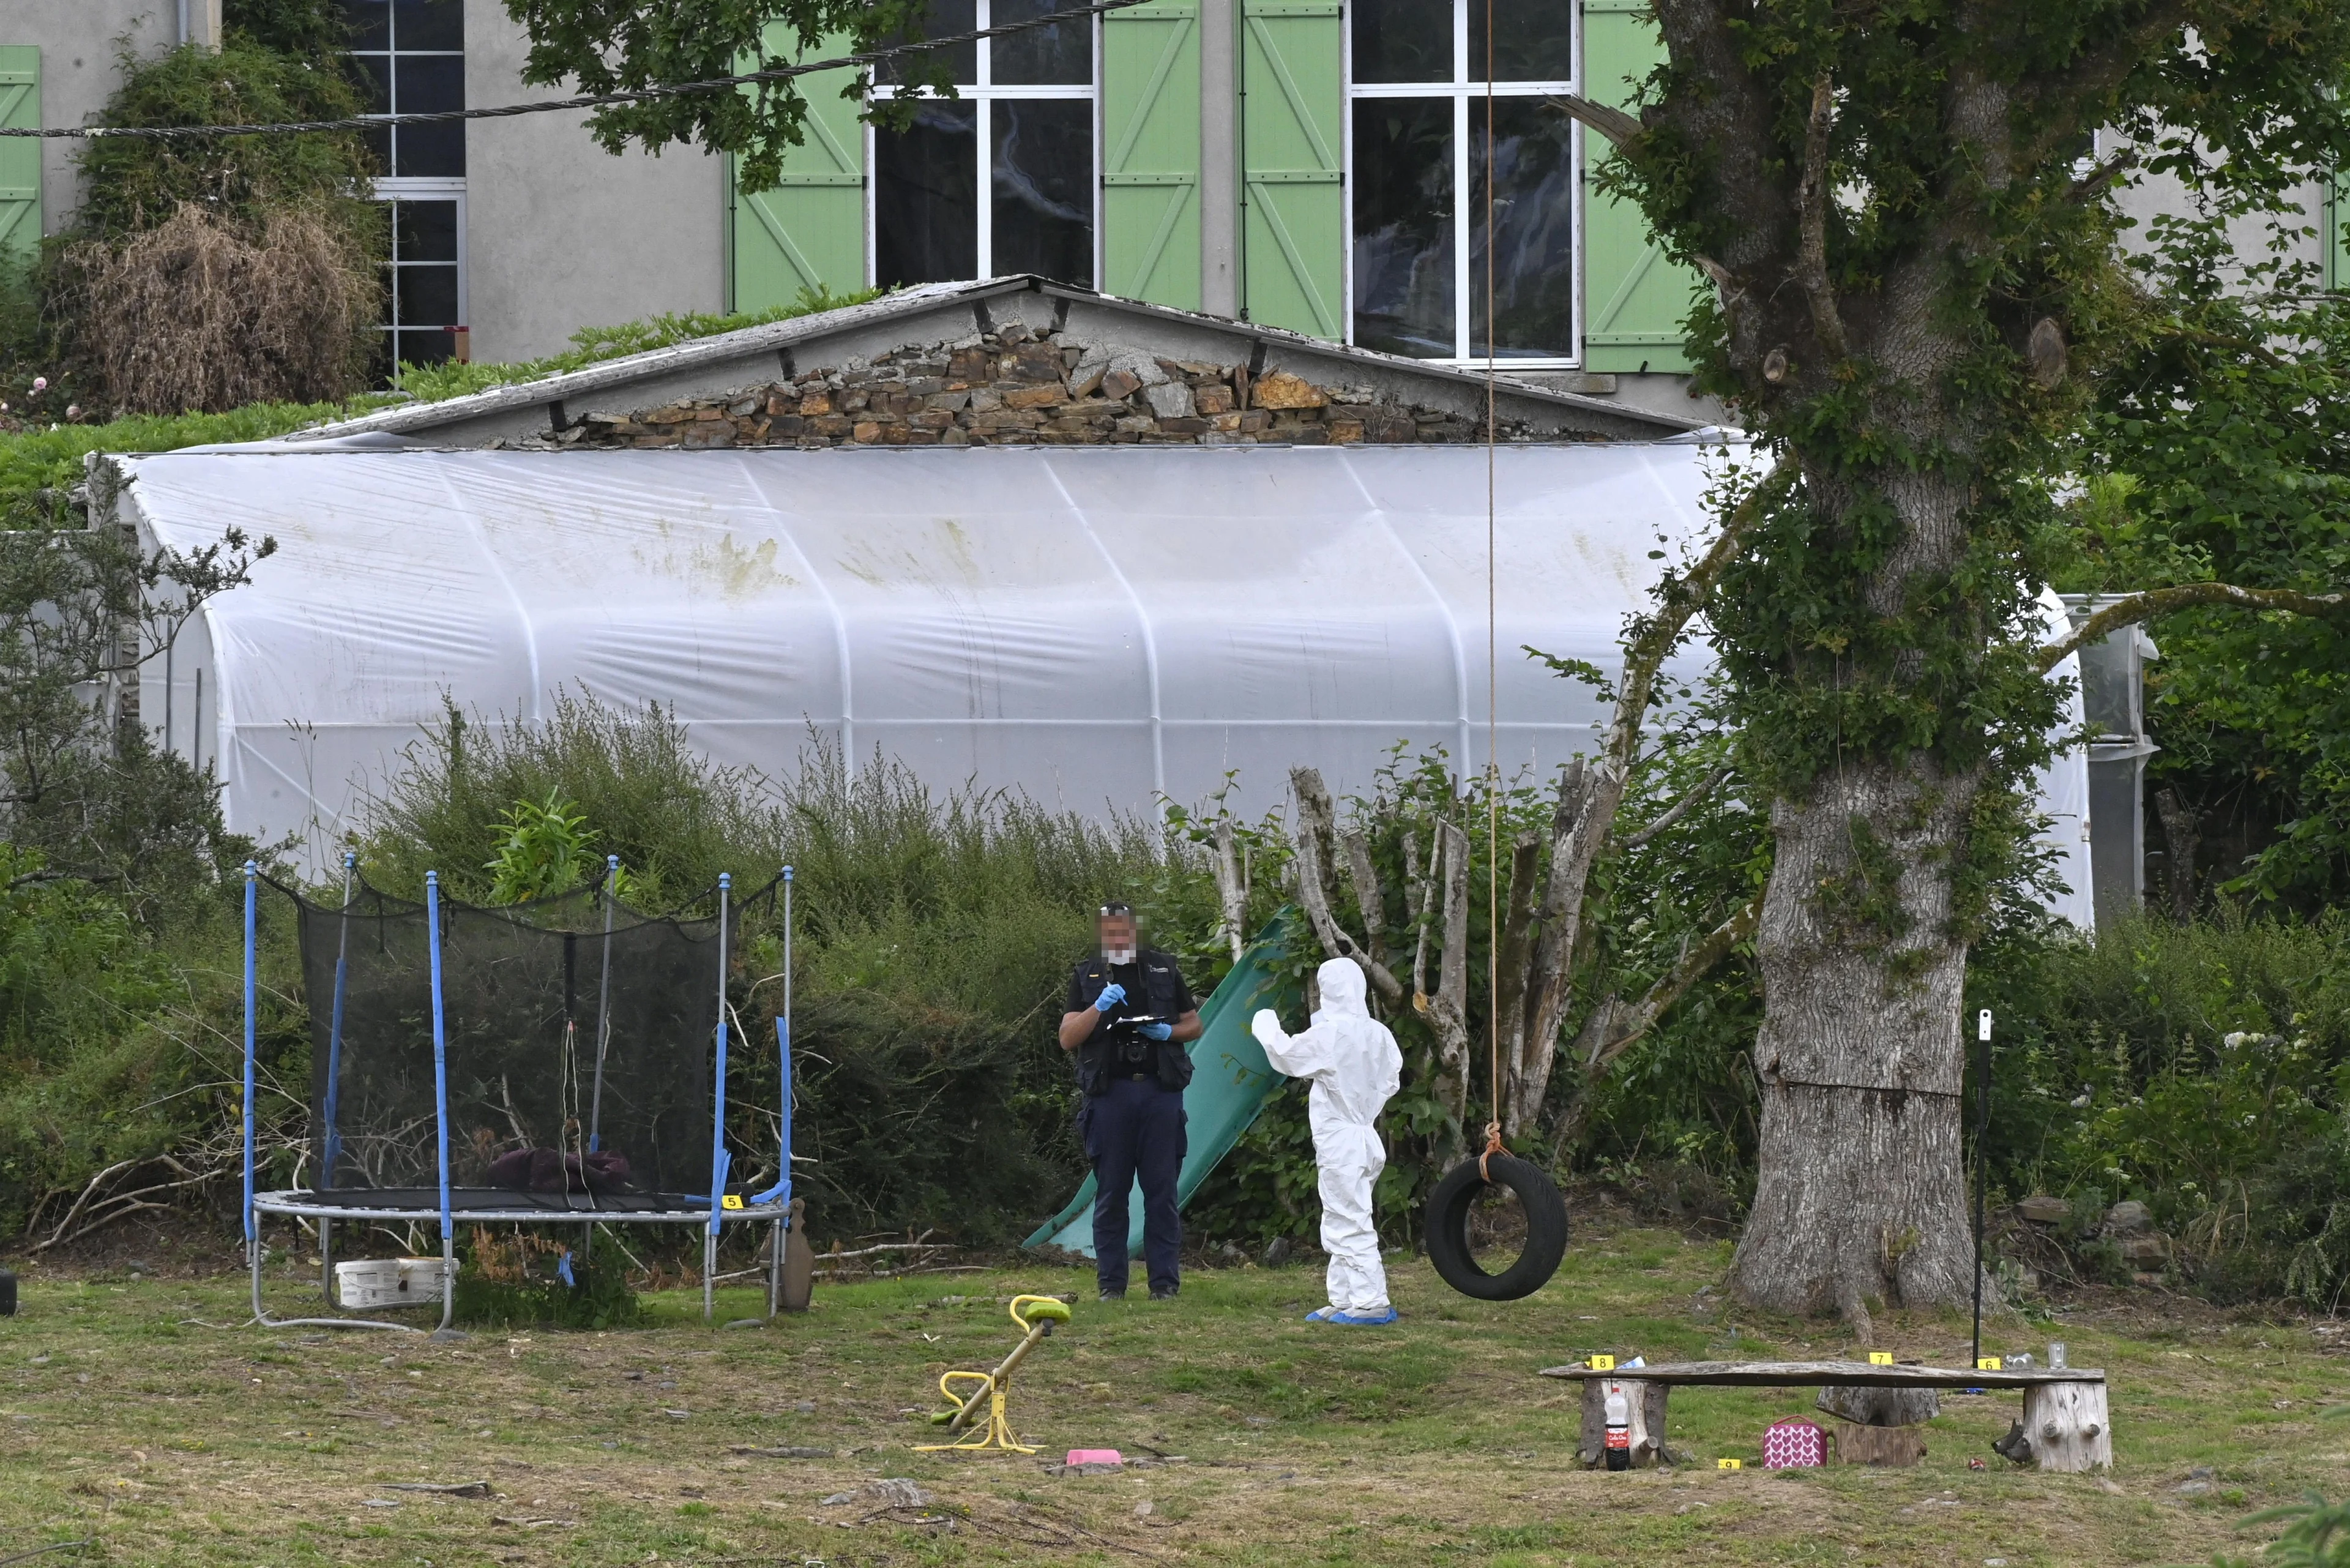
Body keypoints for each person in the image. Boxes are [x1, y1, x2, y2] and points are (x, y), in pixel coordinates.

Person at [1058, 902, 1202, 1301]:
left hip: (1160, 1092)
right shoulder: (1087, 974)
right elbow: (1068, 1037)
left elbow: (1193, 1023)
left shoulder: (1163, 968)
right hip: (1111, 1097)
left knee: (1162, 1193)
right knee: (1111, 1193)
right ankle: (1111, 1286)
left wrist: (1166, 1032)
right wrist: (1098, 1007)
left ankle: (1164, 1286)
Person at [1250, 958, 1403, 1325]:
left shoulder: (1332, 1034)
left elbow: (1287, 1056)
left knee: (1350, 1218)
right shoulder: (1379, 1033)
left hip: (1342, 1140)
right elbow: (1391, 1080)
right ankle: (1344, 1297)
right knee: (1341, 1215)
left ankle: (1370, 1302)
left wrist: (1265, 1024)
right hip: (1365, 1136)